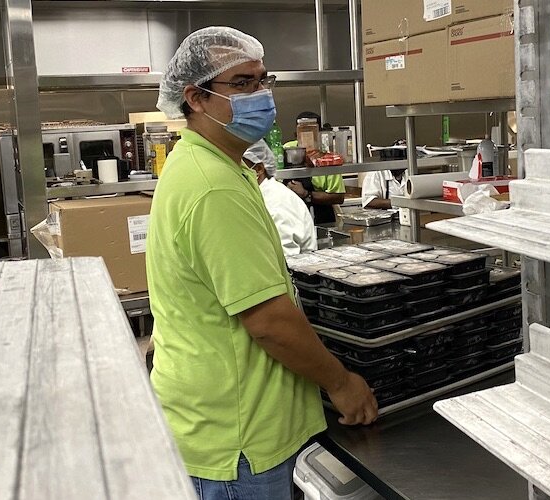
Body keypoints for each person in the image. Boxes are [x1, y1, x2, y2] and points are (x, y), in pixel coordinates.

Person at [148, 26, 378, 500]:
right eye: (243, 84)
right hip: (236, 435)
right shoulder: (213, 186)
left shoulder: (211, 166)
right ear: (196, 97)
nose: (262, 95)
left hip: (225, 416)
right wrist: (341, 382)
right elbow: (268, 321)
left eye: (264, 80)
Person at [243, 140, 317, 257]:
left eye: (240, 169)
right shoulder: (259, 196)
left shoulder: (277, 202)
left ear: (258, 169)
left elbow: (285, 256)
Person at [283, 111, 346, 224]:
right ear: (295, 134)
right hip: (291, 218)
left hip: (322, 219)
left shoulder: (328, 158)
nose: (308, 139)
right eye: (303, 133)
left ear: (320, 135)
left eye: (312, 133)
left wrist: (306, 194)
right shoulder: (286, 150)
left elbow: (338, 197)